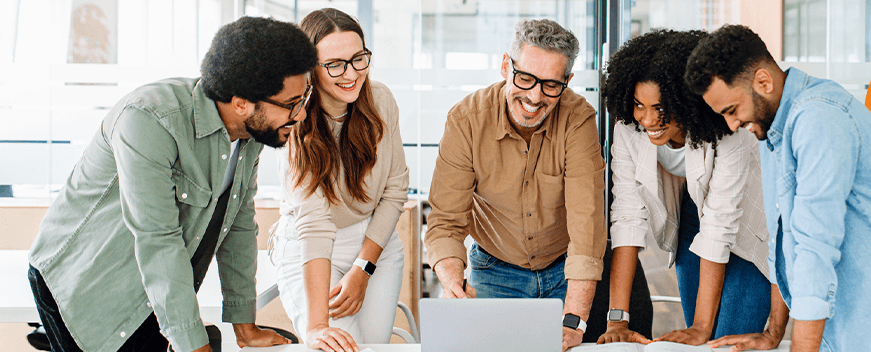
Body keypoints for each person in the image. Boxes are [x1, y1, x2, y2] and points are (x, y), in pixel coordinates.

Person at [27, 16, 317, 352]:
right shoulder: (149, 119)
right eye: (292, 104)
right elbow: (158, 240)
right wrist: (193, 346)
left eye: (304, 98)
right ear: (241, 103)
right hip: (86, 286)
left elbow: (237, 225)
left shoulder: (249, 133)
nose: (301, 115)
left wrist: (245, 327)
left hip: (155, 289)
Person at [684, 24, 871, 352]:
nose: (732, 125)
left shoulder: (819, 117)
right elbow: (782, 238)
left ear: (763, 82)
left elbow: (814, 245)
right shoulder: (772, 125)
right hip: (855, 321)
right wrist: (773, 332)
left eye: (732, 111)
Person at [423, 19, 606, 352]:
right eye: (525, 78)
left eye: (551, 85)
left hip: (564, 270)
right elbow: (446, 222)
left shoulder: (578, 119)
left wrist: (574, 319)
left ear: (567, 82)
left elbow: (587, 225)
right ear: (506, 65)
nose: (535, 96)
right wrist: (452, 283)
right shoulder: (466, 121)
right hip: (493, 269)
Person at [597, 29, 776, 346]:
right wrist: (618, 319)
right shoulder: (629, 128)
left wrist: (702, 327)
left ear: (686, 100)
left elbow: (720, 223)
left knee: (725, 340)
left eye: (660, 108)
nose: (647, 119)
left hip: (746, 228)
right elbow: (627, 217)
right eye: (639, 104)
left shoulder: (726, 128)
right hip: (692, 218)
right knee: (699, 341)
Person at [271, 8, 409, 352]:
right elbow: (315, 225)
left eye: (358, 58)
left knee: (374, 347)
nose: (351, 74)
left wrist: (363, 267)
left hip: (375, 243)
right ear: (309, 69)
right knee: (339, 347)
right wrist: (317, 326)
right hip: (312, 246)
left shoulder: (380, 100)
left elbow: (394, 191)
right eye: (334, 64)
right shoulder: (294, 121)